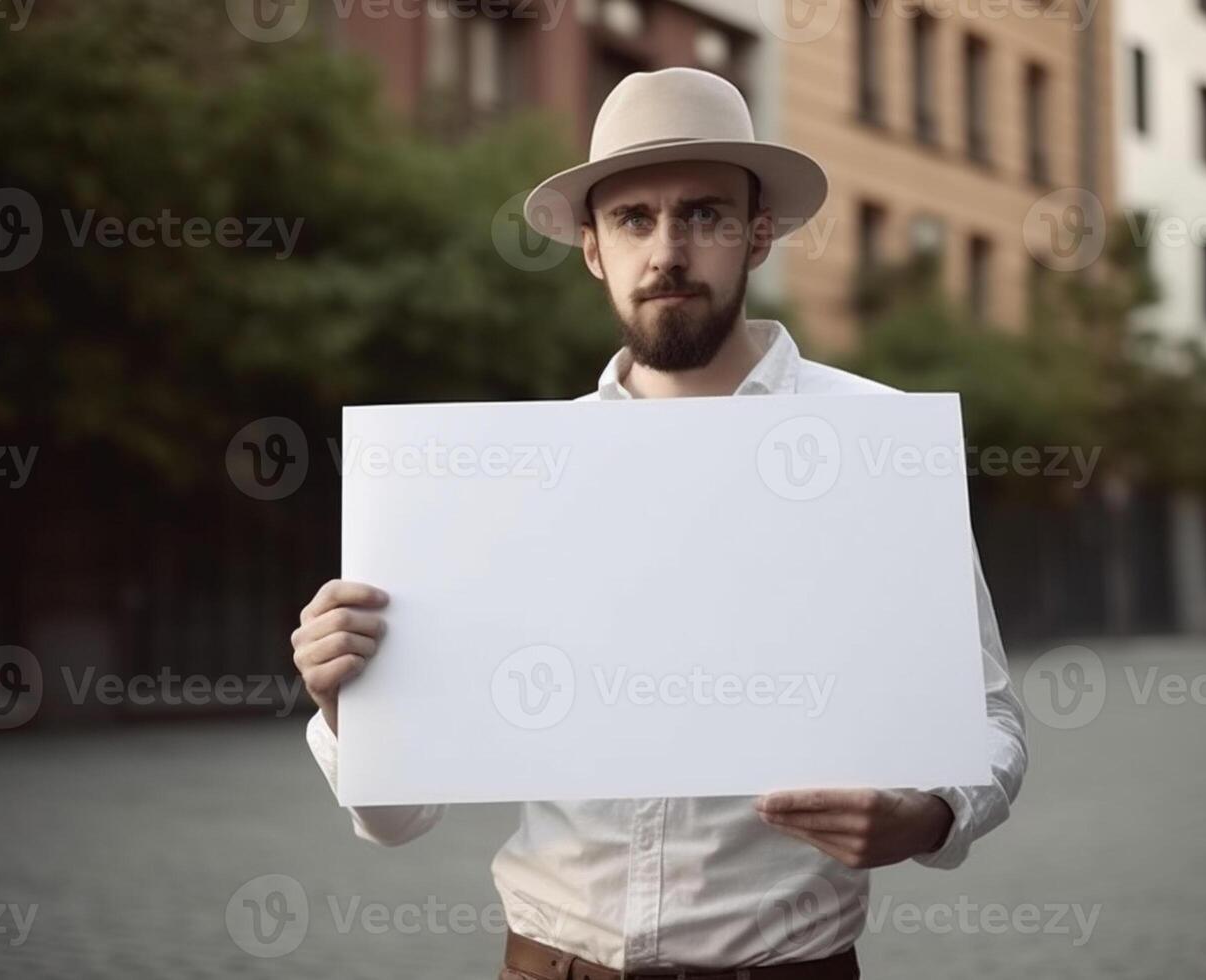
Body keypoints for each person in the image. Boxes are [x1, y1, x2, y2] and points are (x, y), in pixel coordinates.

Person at [292, 67, 1028, 980]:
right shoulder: (508, 483)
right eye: (634, 219)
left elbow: (991, 717)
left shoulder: (870, 444)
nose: (668, 250)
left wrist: (930, 815)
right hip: (549, 966)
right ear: (594, 249)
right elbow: (397, 819)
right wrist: (348, 702)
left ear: (758, 234)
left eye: (705, 214)